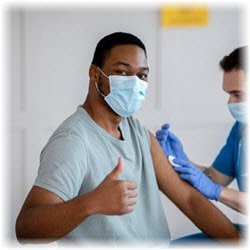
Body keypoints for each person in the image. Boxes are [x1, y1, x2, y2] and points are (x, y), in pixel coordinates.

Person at [15, 32, 240, 247]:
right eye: (123, 72)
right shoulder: (73, 141)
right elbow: (25, 230)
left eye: (142, 75)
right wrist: (91, 203)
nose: (135, 83)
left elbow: (190, 201)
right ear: (95, 74)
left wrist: (237, 241)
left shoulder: (138, 132)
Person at [156, 46, 248, 242]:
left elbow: (214, 187)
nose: (230, 102)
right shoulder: (241, 130)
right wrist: (181, 161)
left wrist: (217, 192)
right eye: (228, 94)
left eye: (237, 94)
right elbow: (214, 178)